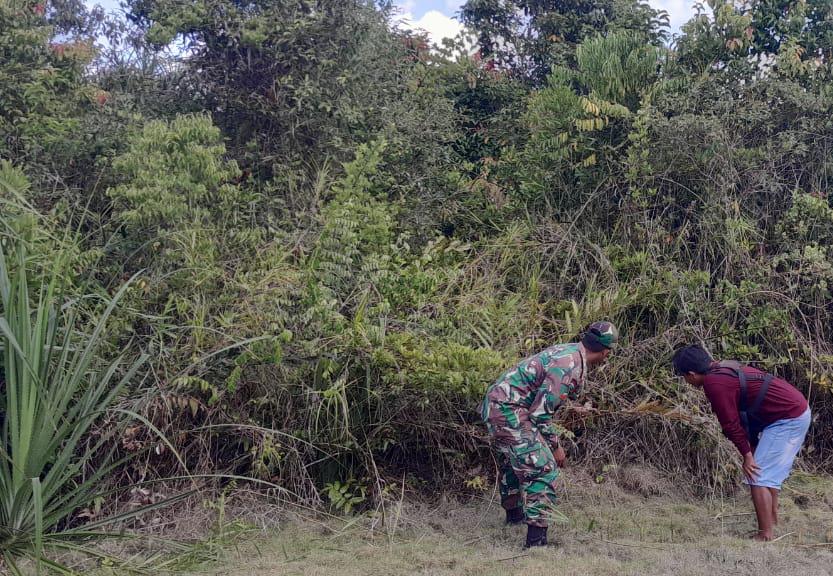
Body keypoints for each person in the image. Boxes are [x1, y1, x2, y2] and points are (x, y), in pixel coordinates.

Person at [481, 321, 619, 547]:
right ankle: (536, 541)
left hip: (499, 405)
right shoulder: (569, 364)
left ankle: (514, 518)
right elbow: (540, 414)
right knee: (542, 467)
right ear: (606, 352)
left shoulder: (570, 350)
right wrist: (556, 448)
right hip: (508, 410)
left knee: (517, 460)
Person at [672, 344, 811, 541]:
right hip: (793, 411)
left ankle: (765, 535)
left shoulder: (714, 383)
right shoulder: (722, 369)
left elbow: (730, 423)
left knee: (757, 476)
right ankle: (772, 523)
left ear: (691, 374)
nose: (686, 381)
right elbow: (746, 411)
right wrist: (751, 447)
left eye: (684, 377)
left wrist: (747, 455)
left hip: (788, 418)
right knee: (765, 472)